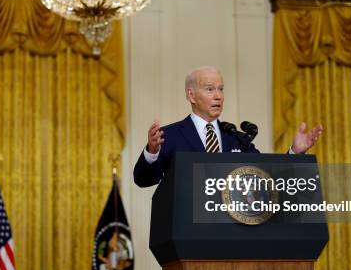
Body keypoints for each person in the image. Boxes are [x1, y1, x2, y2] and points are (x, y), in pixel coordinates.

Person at [133, 66, 323, 188]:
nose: (218, 96)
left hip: (234, 232)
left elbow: (267, 177)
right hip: (188, 234)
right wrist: (151, 152)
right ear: (191, 96)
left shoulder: (237, 138)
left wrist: (294, 153)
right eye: (210, 89)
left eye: (221, 89)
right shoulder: (170, 135)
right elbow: (143, 180)